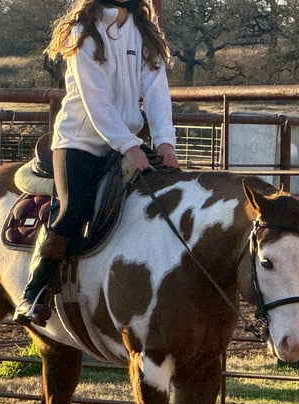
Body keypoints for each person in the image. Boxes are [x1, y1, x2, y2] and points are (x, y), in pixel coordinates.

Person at [15, 0, 180, 326]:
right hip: (80, 142)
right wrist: (129, 146)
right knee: (74, 208)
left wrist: (165, 142)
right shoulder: (84, 33)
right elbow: (95, 101)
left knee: (165, 194)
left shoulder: (144, 32)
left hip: (125, 142)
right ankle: (35, 291)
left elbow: (157, 90)